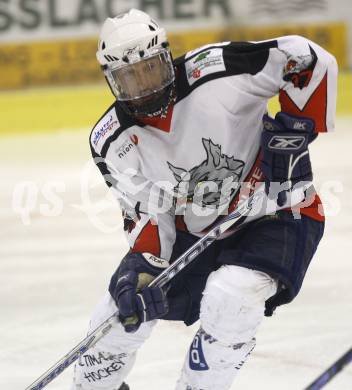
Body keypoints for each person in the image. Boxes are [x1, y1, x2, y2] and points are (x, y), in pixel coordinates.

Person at [71, 9, 337, 390]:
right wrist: (139, 271)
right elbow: (148, 215)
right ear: (110, 82)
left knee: (231, 297)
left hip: (277, 209)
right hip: (197, 228)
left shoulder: (218, 70)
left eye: (151, 69)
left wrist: (296, 128)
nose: (144, 87)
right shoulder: (111, 141)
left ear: (167, 57)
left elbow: (306, 57)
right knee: (117, 314)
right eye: (128, 79)